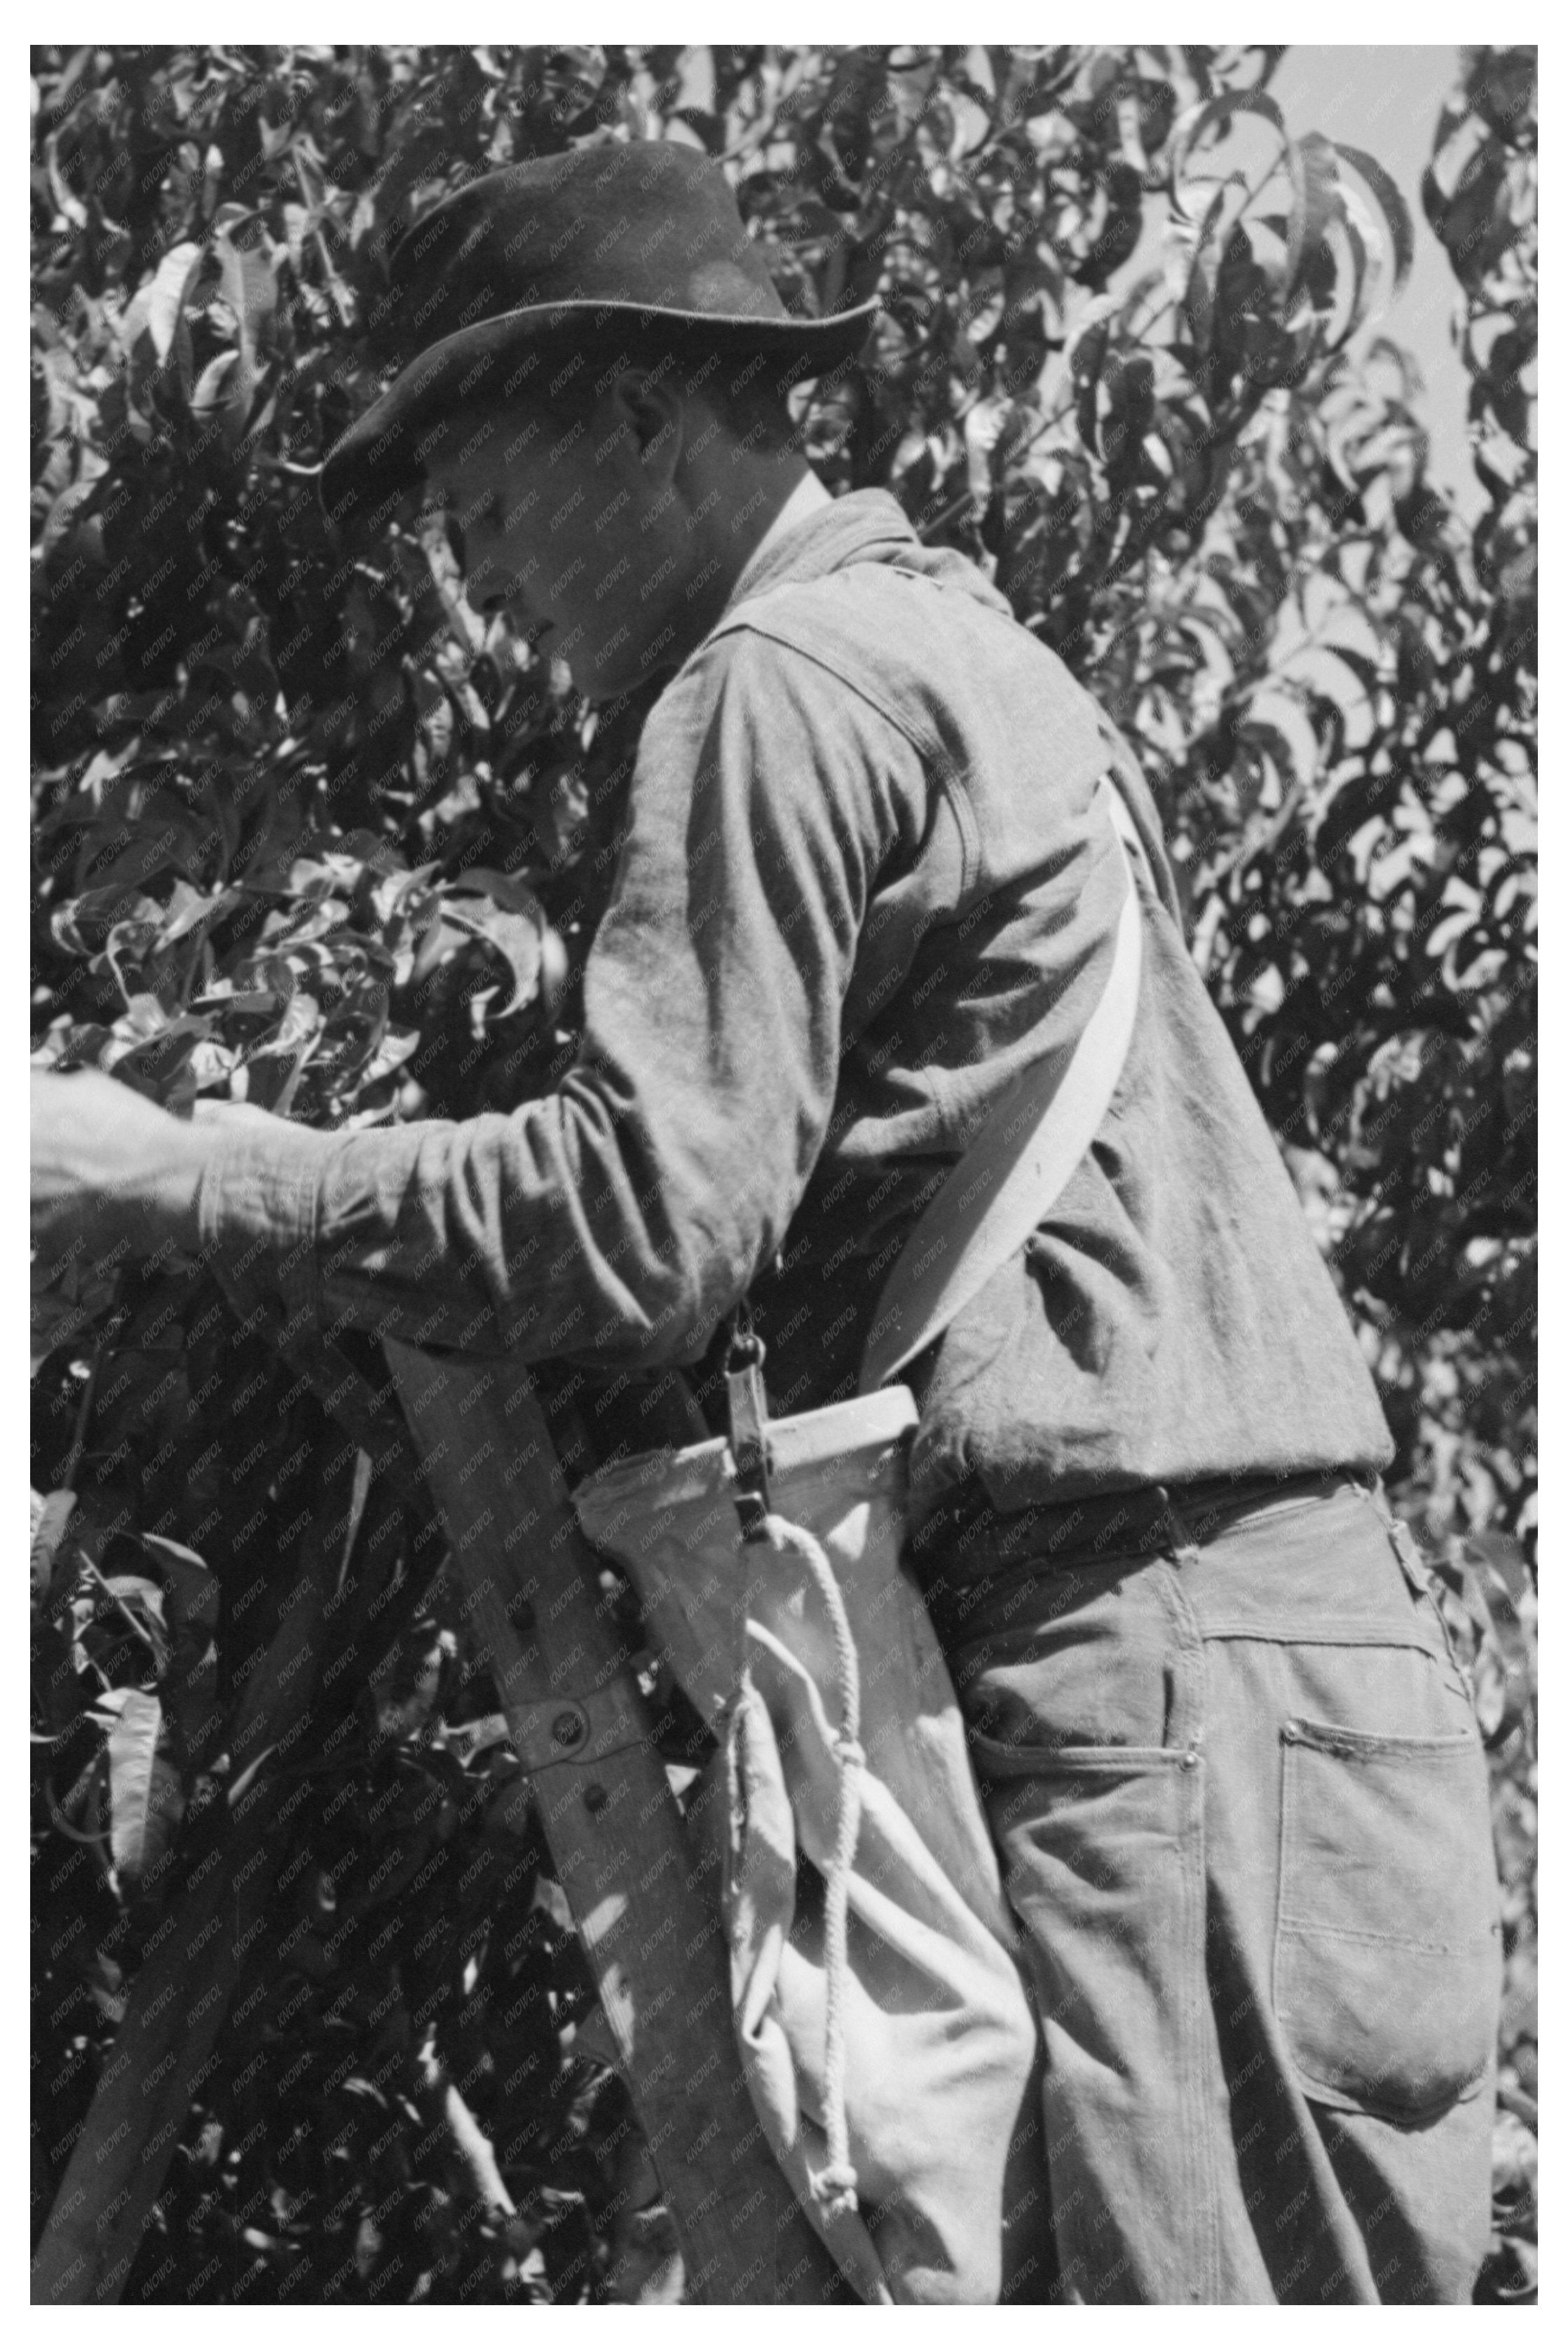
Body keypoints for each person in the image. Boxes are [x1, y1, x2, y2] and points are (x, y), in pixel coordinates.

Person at [32, 139, 1503, 2304]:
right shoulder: (977, 661)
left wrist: (178, 1169)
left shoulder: (771, 692)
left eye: (486, 502)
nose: (473, 576)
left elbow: (644, 1216)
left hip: (1150, 1675)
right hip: (1288, 1688)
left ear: (636, 413)